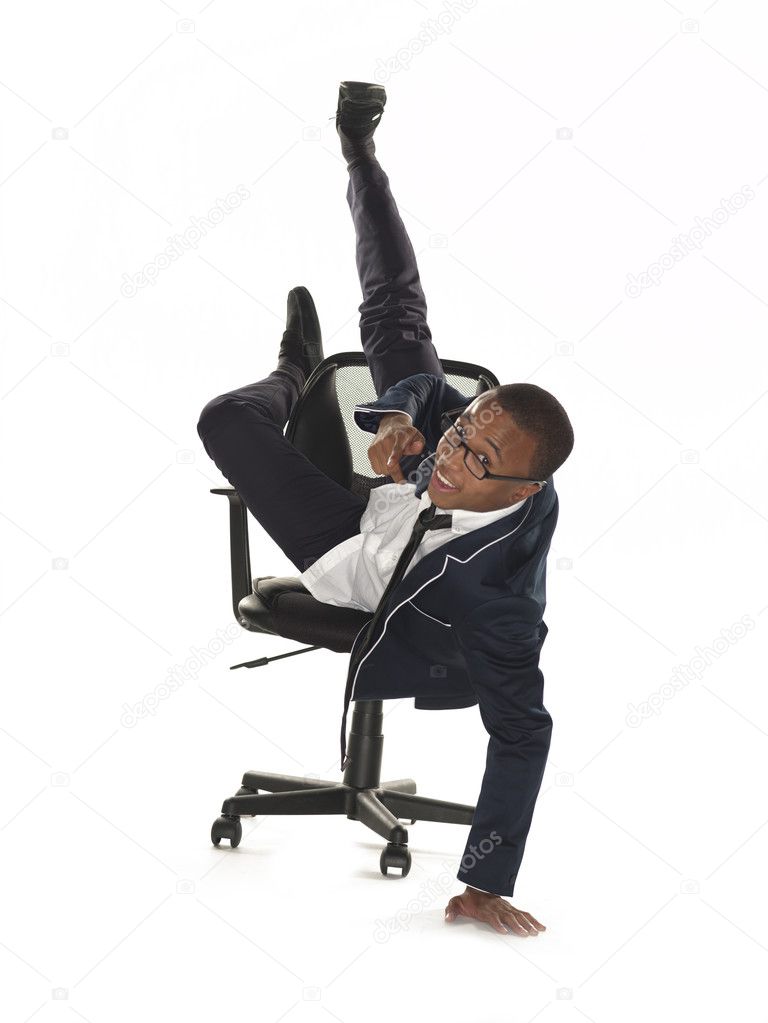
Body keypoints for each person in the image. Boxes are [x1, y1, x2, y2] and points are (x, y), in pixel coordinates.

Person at [197, 81, 574, 937]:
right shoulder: (457, 444)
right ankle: (359, 152)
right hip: (388, 511)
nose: (454, 456)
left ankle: (290, 374)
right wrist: (406, 414)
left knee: (224, 418)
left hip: (360, 570)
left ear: (521, 490)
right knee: (399, 314)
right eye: (463, 434)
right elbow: (439, 391)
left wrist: (487, 881)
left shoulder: (501, 603)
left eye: (476, 459)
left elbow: (524, 733)